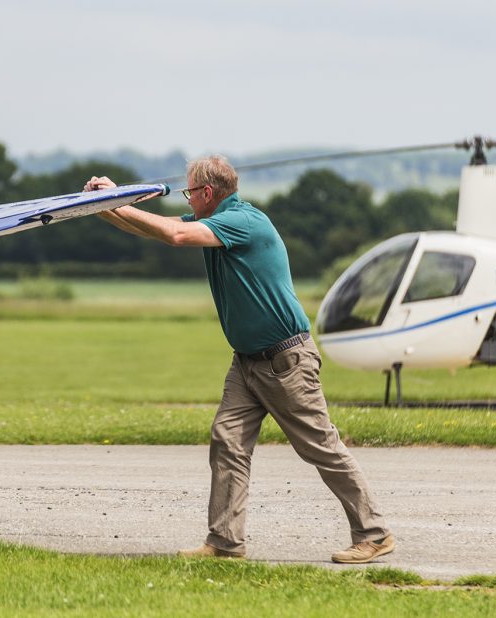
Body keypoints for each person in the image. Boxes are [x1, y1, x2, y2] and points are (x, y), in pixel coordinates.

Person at [83, 155, 394, 563]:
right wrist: (99, 204)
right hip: (248, 361)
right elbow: (154, 228)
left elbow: (174, 235)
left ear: (208, 194)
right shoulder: (215, 221)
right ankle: (226, 543)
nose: (188, 199)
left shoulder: (244, 221)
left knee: (321, 447)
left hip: (285, 361)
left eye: (190, 192)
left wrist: (114, 203)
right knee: (227, 441)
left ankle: (375, 533)